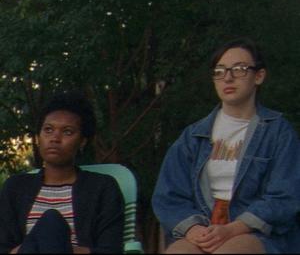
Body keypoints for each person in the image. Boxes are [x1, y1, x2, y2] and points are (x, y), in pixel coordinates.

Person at [152, 37, 300, 254]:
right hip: (203, 227)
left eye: (239, 69)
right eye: (220, 71)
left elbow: (284, 197)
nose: (228, 78)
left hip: (256, 232)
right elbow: (168, 195)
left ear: (258, 76)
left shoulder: (278, 132)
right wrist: (193, 229)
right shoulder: (193, 136)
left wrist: (232, 230)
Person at [0, 91, 124, 254]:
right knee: (49, 225)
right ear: (38, 137)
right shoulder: (15, 187)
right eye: (48, 130)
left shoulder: (102, 187)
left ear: (82, 141)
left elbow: (111, 250)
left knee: (52, 223)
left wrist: (60, 246)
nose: (55, 138)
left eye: (67, 132)